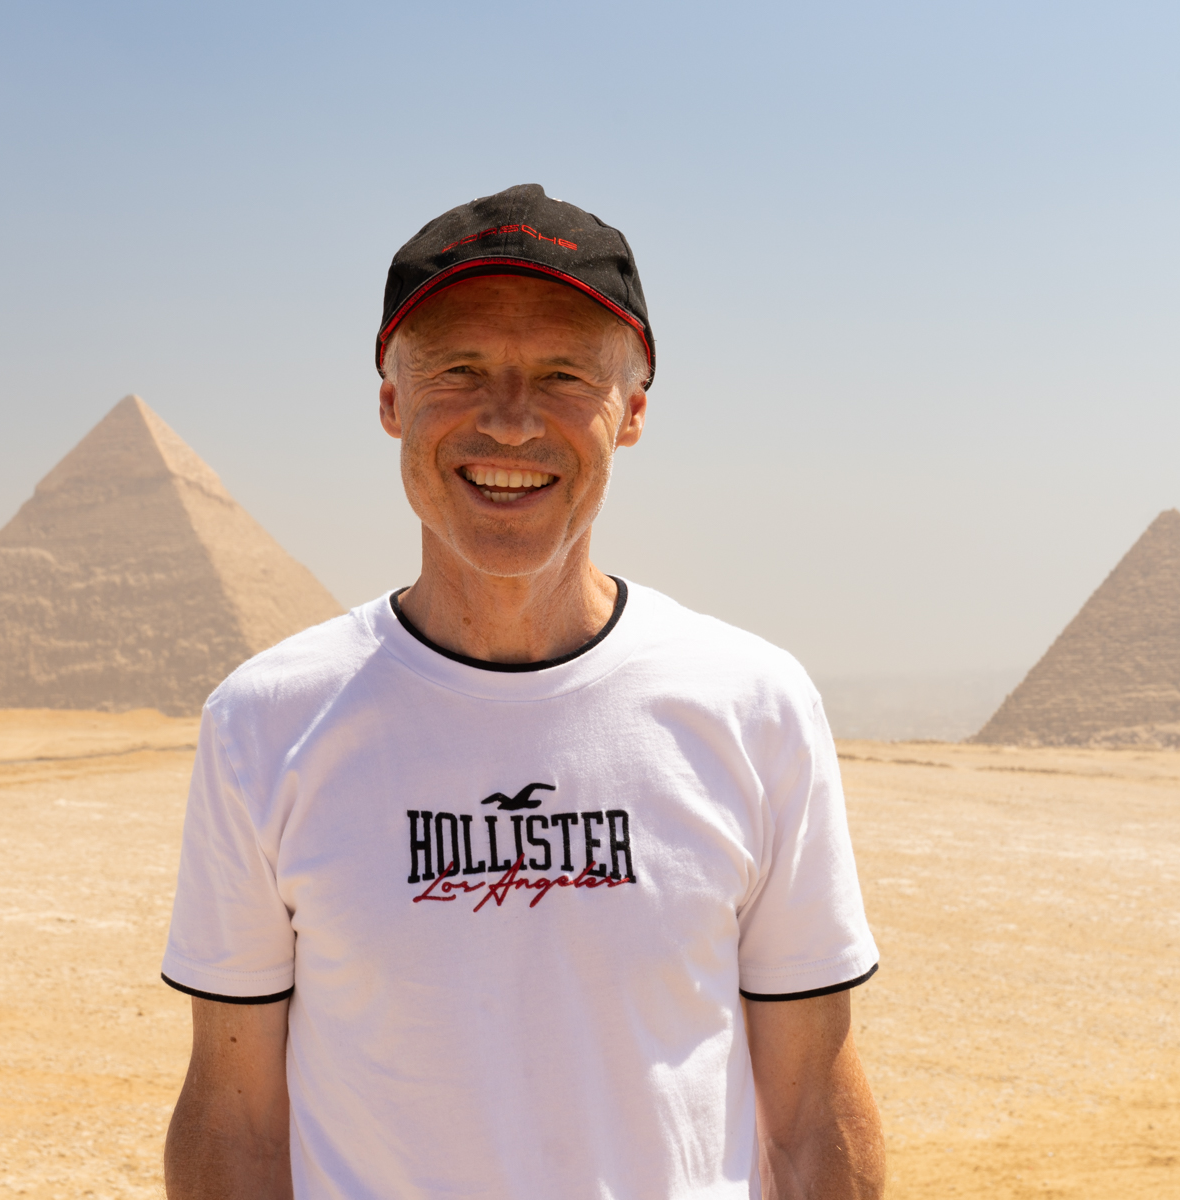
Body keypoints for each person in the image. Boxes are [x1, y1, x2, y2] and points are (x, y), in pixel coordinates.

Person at [159, 183, 884, 1199]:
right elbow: (233, 1117)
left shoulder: (755, 707)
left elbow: (812, 1108)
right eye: (459, 370)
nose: (509, 421)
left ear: (632, 412)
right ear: (390, 401)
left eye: (563, 376)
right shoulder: (265, 723)